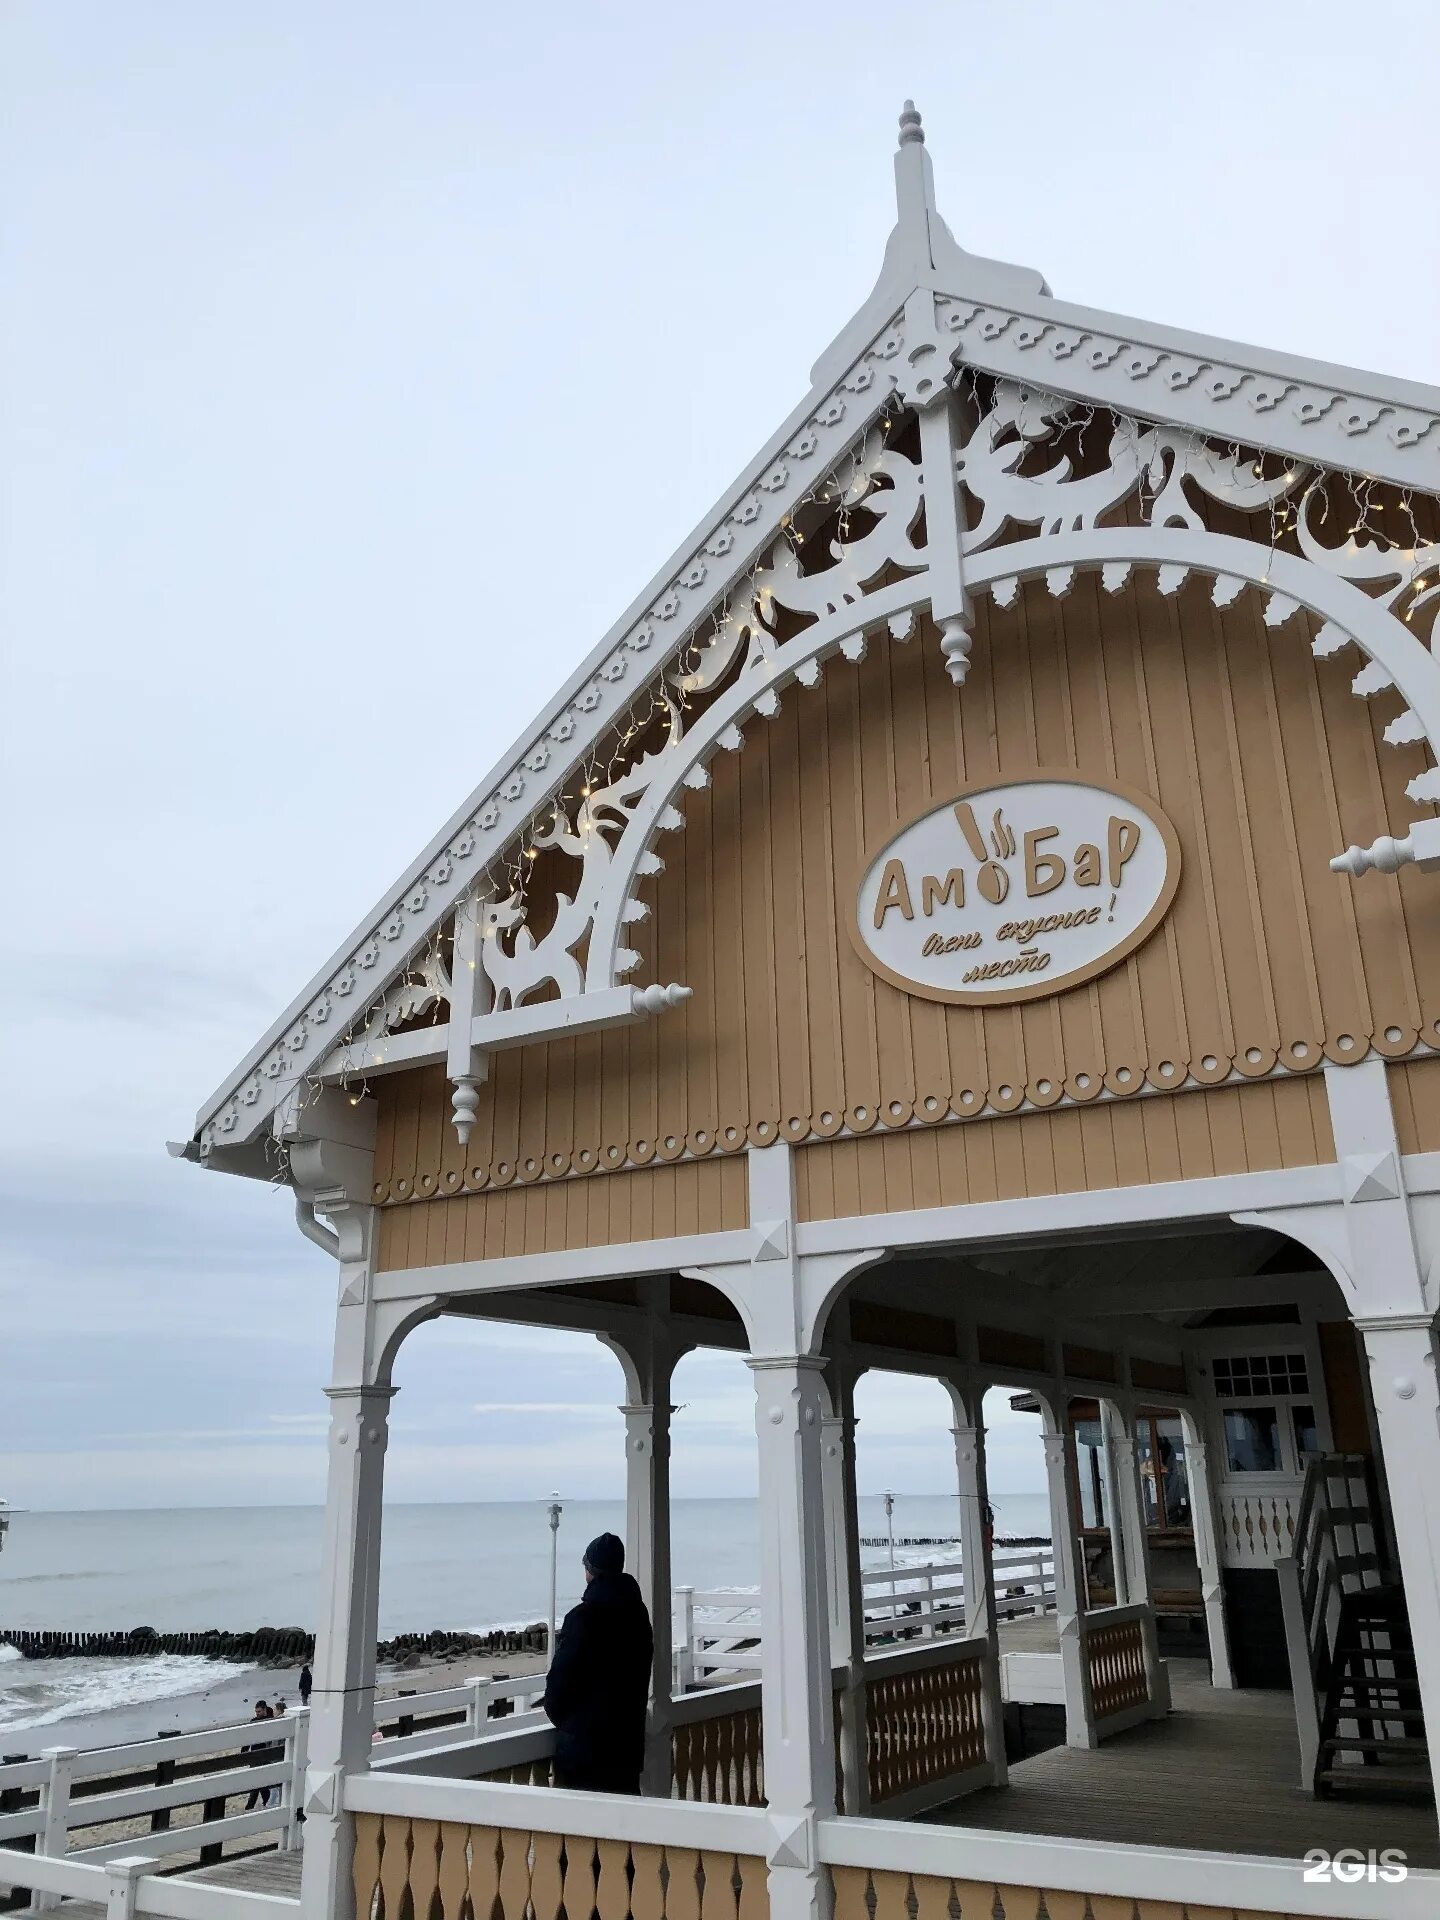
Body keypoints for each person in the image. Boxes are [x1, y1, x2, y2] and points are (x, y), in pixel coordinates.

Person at [543, 1532, 653, 1794]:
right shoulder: (637, 1615)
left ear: (590, 1570)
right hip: (626, 1749)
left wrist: (569, 1726)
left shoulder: (582, 1618)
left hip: (584, 1754)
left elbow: (559, 1683)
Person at [244, 1701, 273, 1810]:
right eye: (256, 1711)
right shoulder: (253, 1721)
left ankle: (252, 1805)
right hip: (254, 1755)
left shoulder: (270, 1720)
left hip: (265, 1755)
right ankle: (263, 1802)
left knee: (260, 1782)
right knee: (257, 1782)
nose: (257, 1713)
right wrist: (245, 1750)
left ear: (264, 1709)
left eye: (259, 1711)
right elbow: (248, 1738)